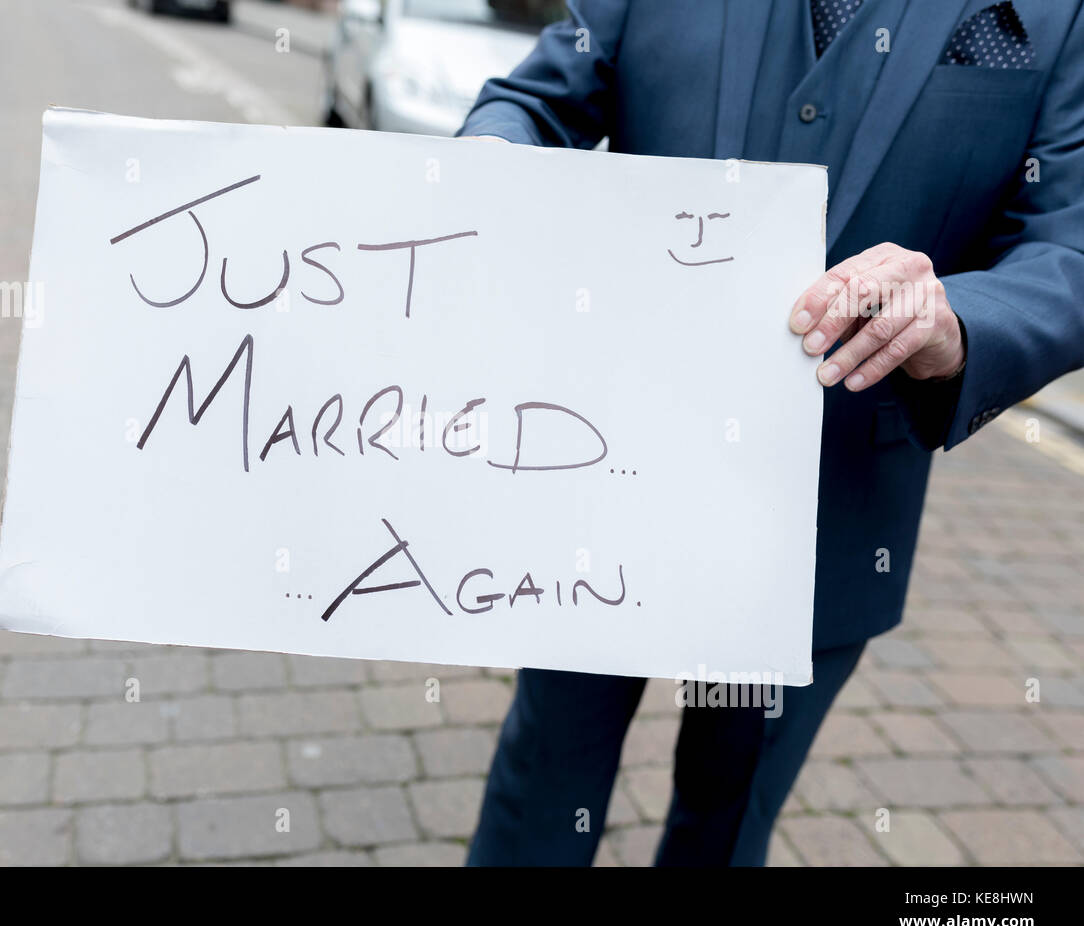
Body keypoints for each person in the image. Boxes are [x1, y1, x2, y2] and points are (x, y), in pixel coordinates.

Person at [457, 0, 1084, 865]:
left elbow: (1068, 247)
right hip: (603, 476)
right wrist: (497, 157)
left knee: (725, 817)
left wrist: (957, 321)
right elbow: (535, 99)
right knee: (543, 784)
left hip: (829, 516)